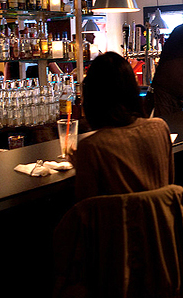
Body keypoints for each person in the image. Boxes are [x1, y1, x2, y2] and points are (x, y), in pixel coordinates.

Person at [72, 52, 174, 201]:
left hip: (114, 217)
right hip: (162, 215)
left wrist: (82, 164)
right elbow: (169, 187)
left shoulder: (92, 147)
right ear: (133, 90)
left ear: (92, 97)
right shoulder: (160, 128)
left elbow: (87, 207)